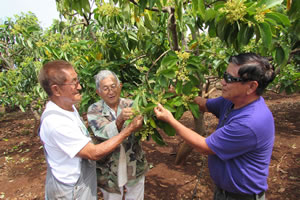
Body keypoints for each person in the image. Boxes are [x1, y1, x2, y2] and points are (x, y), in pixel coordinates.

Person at [154, 53, 275, 200]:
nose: (222, 82)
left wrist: (170, 120)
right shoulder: (231, 101)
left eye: (230, 78)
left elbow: (204, 147)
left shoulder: (250, 122)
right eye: (224, 75)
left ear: (251, 86)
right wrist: (178, 94)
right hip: (223, 192)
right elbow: (203, 104)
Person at [38, 60, 143, 200]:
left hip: (94, 177)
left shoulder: (69, 108)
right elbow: (94, 151)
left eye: (113, 86)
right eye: (74, 83)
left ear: (120, 86)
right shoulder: (57, 122)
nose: (79, 86)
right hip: (72, 188)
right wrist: (126, 127)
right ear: (56, 90)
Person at [87, 70, 148, 200]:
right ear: (98, 92)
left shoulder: (132, 104)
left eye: (113, 86)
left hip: (134, 164)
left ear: (120, 86)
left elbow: (144, 131)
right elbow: (101, 133)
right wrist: (120, 120)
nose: (111, 91)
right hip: (109, 170)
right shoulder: (94, 110)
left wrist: (143, 123)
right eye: (105, 88)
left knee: (136, 196)